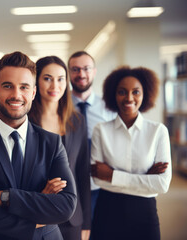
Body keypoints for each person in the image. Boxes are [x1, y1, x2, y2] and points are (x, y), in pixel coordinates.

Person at [0, 51, 77, 240]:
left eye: (24, 87)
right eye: (8, 86)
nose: (16, 95)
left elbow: (66, 205)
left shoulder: (51, 143)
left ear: (33, 92)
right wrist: (38, 210)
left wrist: (6, 197)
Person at [90, 66, 172, 239]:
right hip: (107, 211)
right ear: (113, 94)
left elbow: (162, 184)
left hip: (144, 213)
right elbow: (98, 178)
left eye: (136, 92)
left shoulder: (158, 131)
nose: (129, 98)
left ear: (145, 94)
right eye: (122, 92)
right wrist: (146, 178)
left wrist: (112, 175)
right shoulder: (101, 130)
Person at [28, 56, 90, 240]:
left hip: (72, 217)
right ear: (36, 81)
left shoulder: (77, 121)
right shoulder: (26, 122)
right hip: (38, 213)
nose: (55, 85)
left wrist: (86, 222)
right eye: (47, 78)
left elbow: (82, 171)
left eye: (61, 78)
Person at [68, 51, 116, 219]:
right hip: (69, 185)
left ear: (94, 71)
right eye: (75, 69)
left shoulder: (109, 108)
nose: (81, 74)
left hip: (100, 186)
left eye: (86, 68)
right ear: (68, 72)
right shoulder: (60, 106)